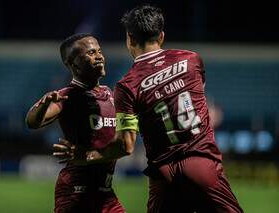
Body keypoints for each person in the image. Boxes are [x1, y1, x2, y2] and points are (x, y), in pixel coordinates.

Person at [56, 5, 243, 213]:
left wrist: (87, 156)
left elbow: (125, 146)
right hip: (202, 163)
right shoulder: (191, 60)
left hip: (163, 174)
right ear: (161, 36)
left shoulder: (127, 86)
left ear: (130, 39)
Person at [25, 33, 125, 213]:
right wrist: (44, 104)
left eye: (99, 51)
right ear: (72, 64)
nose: (99, 56)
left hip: (105, 193)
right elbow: (32, 122)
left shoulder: (109, 93)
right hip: (76, 193)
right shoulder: (67, 95)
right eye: (91, 53)